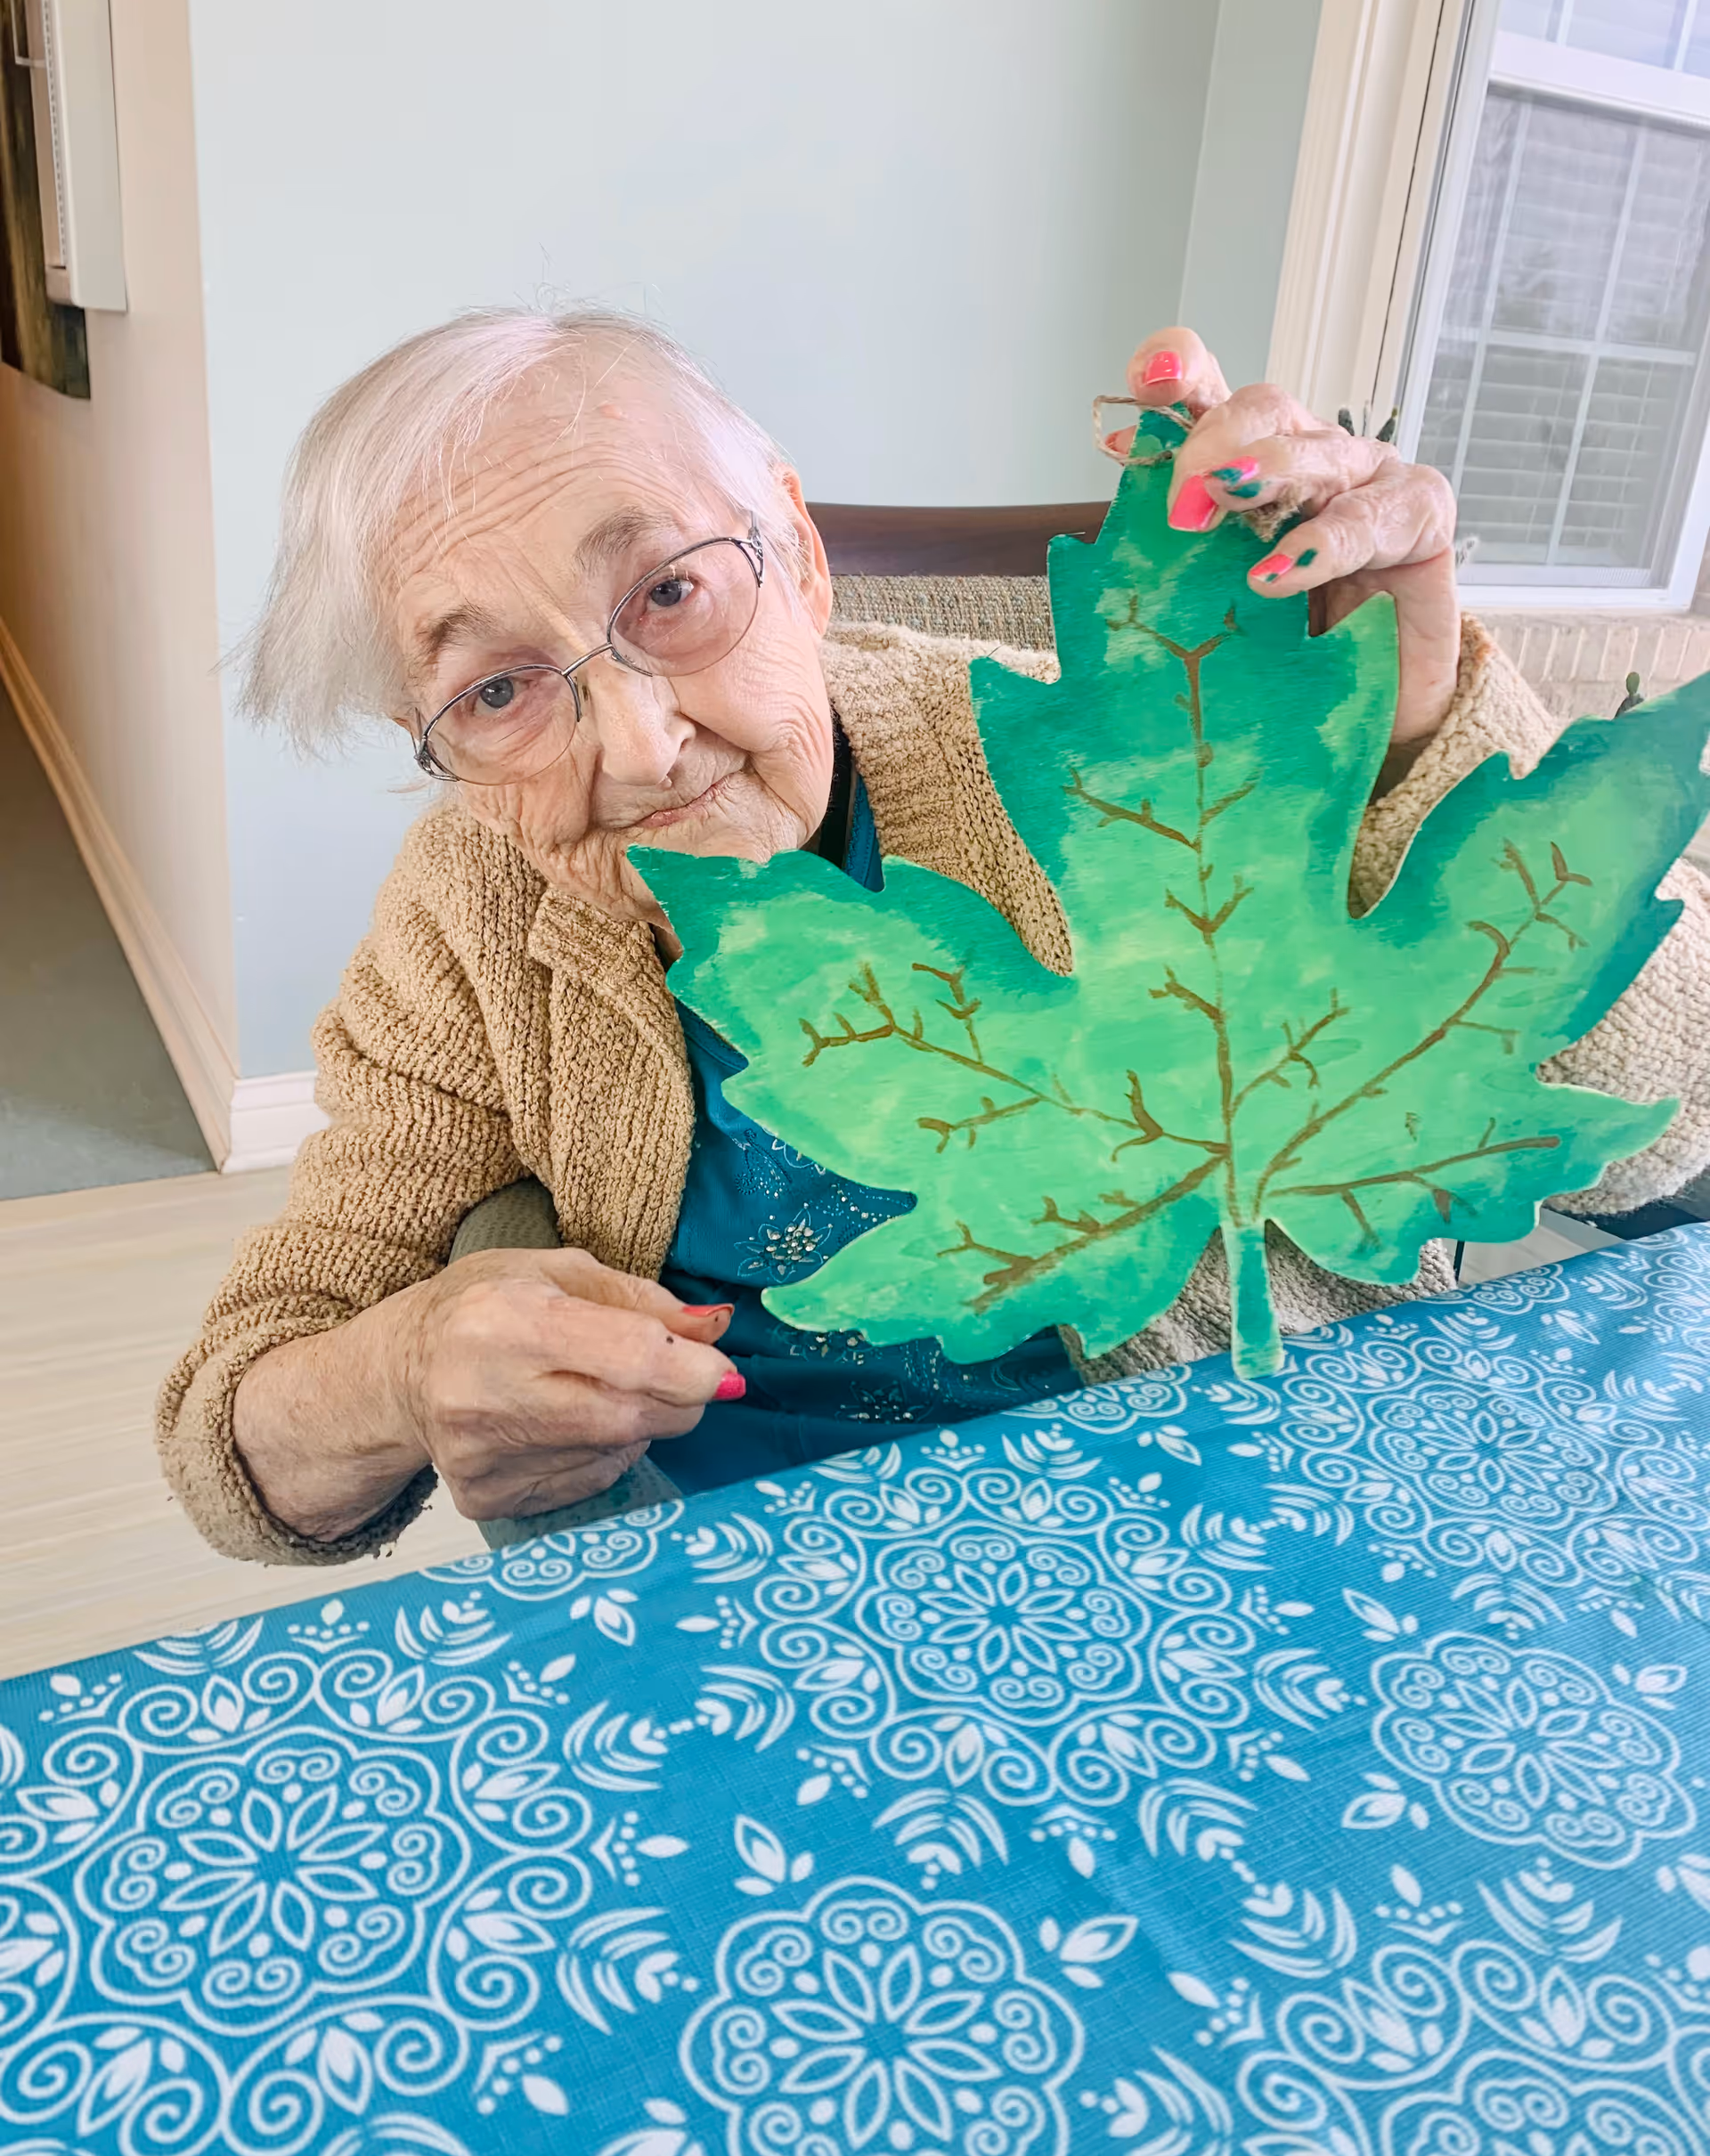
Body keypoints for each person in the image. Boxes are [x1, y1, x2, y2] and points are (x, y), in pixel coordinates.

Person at [159, 313, 1710, 1564]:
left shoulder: (1113, 761)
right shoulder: (470, 918)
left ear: (802, 553)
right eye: (495, 691)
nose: (636, 746)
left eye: (674, 592)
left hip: (1245, 1520)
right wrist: (397, 1374)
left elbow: (1668, 1133)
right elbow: (246, 1419)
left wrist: (1419, 749)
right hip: (741, 1571)